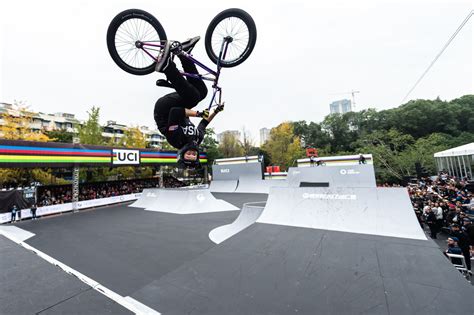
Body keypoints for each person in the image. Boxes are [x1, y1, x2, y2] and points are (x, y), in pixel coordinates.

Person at [153, 37, 224, 168]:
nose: (191, 154)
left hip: (163, 109)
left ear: (181, 154)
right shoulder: (197, 139)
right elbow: (204, 123)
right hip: (177, 107)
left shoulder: (176, 140)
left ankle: (167, 67)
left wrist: (197, 113)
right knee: (202, 92)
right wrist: (216, 111)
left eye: (188, 156)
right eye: (193, 156)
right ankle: (183, 54)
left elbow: (175, 112)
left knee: (193, 98)